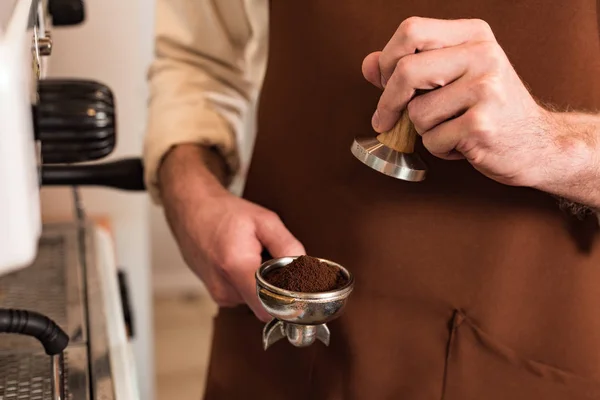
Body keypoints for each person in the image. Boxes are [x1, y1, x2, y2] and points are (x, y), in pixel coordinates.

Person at [144, 1, 600, 399]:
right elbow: (198, 61)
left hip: (522, 355)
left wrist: (553, 141)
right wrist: (191, 193)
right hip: (281, 335)